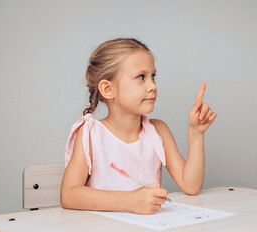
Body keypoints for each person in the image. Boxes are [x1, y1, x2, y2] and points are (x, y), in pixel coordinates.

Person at [60, 38, 216, 215]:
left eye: (153, 76)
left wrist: (196, 134)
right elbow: (69, 194)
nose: (152, 86)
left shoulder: (158, 131)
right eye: (141, 77)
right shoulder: (90, 134)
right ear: (108, 89)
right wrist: (130, 201)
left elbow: (191, 185)